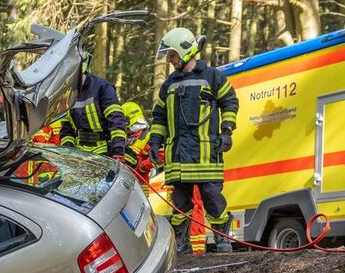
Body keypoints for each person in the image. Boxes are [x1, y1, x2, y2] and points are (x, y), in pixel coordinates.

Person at [149, 27, 239, 254]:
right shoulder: (168, 84)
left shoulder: (212, 76)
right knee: (180, 204)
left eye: (172, 54)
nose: (170, 59)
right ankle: (182, 243)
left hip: (205, 152)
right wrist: (155, 141)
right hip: (178, 155)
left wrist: (226, 131)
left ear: (185, 51)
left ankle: (222, 239)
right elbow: (159, 116)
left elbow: (230, 102)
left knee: (212, 198)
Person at [59, 53, 127, 160]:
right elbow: (66, 128)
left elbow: (116, 120)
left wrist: (118, 150)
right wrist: (68, 150)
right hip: (79, 153)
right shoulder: (68, 93)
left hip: (104, 151)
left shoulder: (103, 88)